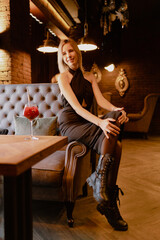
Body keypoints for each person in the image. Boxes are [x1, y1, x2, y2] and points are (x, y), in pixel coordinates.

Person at [56, 38, 129, 231]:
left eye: (70, 51)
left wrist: (117, 109)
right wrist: (101, 121)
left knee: (115, 118)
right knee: (117, 145)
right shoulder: (62, 78)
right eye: (64, 54)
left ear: (77, 53)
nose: (68, 56)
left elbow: (101, 100)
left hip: (86, 121)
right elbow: (78, 109)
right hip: (70, 123)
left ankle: (103, 190)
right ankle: (109, 204)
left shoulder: (89, 77)